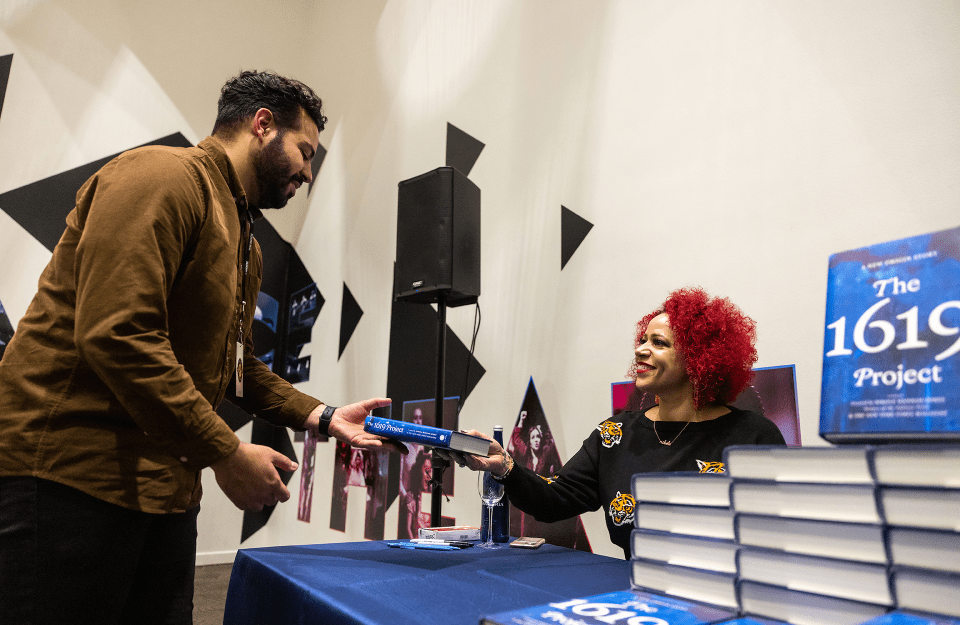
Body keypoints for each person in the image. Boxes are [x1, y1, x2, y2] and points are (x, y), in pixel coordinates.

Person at [0, 70, 405, 624]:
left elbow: (237, 369)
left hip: (163, 495)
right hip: (66, 483)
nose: (308, 173)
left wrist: (324, 416)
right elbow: (117, 334)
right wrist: (227, 453)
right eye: (305, 151)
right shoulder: (161, 175)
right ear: (262, 124)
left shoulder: (244, 238)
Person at [445, 287, 786, 558]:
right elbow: (553, 501)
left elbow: (777, 538)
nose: (641, 350)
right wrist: (505, 466)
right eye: (642, 340)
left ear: (697, 359)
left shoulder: (753, 436)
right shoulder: (615, 434)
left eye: (659, 343)